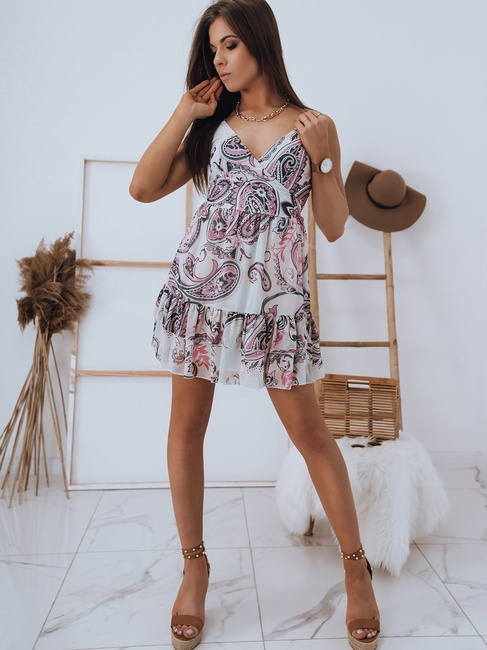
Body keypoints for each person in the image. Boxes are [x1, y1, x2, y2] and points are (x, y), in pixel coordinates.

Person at [129, 1, 380, 648]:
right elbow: (142, 188)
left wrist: (324, 161)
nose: (219, 59)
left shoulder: (314, 126)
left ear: (261, 42)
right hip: (200, 298)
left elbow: (332, 226)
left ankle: (356, 570)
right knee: (187, 428)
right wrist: (184, 113)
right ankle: (195, 567)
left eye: (230, 45)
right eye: (213, 49)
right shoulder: (211, 126)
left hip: (277, 309)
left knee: (311, 434)